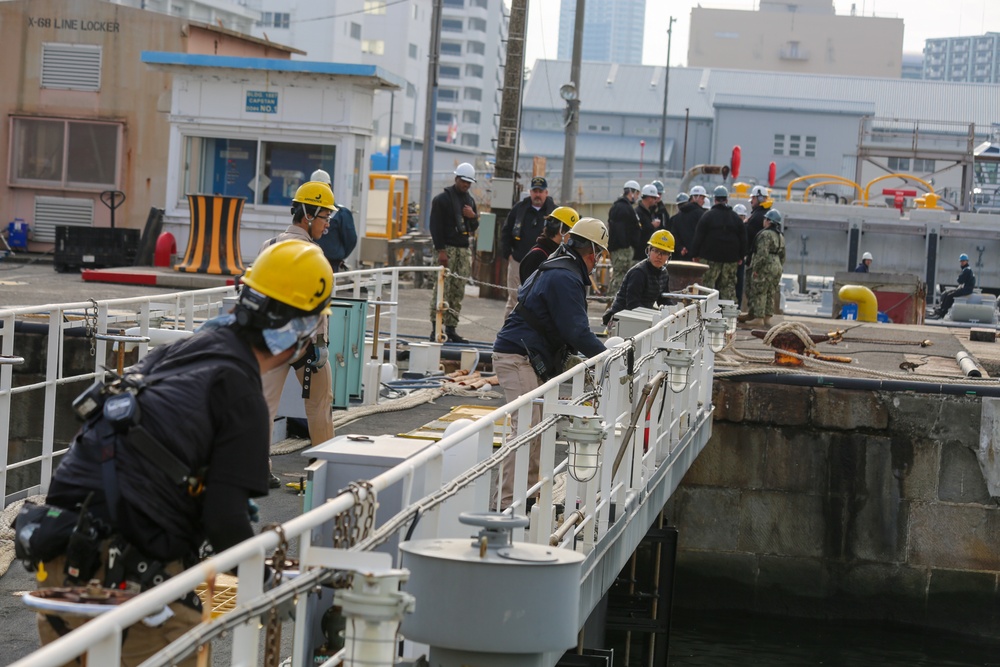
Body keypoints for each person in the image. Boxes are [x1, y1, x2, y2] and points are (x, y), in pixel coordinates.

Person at [30, 240, 333, 666]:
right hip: (127, 582)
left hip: (61, 564)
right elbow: (225, 520)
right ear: (298, 332)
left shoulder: (181, 352)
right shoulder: (241, 392)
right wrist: (269, 585)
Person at [492, 218, 610, 508]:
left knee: (537, 430)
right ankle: (507, 504)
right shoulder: (566, 277)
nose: (599, 261)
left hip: (527, 355)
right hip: (518, 356)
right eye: (600, 255)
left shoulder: (561, 268)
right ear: (593, 251)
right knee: (525, 431)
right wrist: (607, 357)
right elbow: (576, 331)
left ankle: (529, 496)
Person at [260, 182, 337, 466]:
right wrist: (320, 344)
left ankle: (258, 469)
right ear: (308, 214)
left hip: (268, 340)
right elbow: (320, 306)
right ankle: (325, 464)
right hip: (306, 345)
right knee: (319, 404)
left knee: (264, 407)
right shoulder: (316, 257)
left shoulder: (268, 247)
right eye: (324, 217)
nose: (327, 224)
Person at [429, 163, 480, 343]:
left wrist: (472, 216)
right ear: (456, 179)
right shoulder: (442, 199)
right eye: (463, 181)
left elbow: (474, 227)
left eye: (469, 183)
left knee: (458, 290)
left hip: (463, 249)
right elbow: (435, 227)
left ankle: (451, 328)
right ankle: (436, 327)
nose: (466, 185)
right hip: (447, 248)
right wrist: (441, 250)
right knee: (442, 289)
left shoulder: (470, 201)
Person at [499, 176, 556, 319]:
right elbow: (505, 232)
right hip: (518, 261)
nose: (537, 194)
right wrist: (508, 255)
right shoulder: (519, 209)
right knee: (514, 300)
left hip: (544, 264)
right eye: (535, 191)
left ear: (546, 193)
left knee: (541, 302)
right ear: (530, 192)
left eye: (540, 191)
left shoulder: (554, 212)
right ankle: (508, 334)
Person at [602, 229, 674, 327]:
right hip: (621, 318)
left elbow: (663, 299)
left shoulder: (664, 273)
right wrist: (655, 315)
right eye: (656, 251)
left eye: (664, 253)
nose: (659, 256)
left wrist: (675, 313)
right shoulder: (639, 273)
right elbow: (632, 304)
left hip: (642, 317)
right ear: (649, 250)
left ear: (669, 256)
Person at [690, 185, 747, 302]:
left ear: (714, 199)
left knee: (707, 288)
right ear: (726, 200)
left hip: (709, 258)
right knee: (728, 288)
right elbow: (743, 238)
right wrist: (741, 256)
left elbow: (698, 237)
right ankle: (729, 317)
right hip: (731, 260)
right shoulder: (735, 218)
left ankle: (705, 316)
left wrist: (695, 254)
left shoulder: (707, 216)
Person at [740, 209, 786, 327]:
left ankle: (758, 318)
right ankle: (767, 318)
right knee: (770, 292)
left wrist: (756, 269)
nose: (763, 221)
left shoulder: (765, 235)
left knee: (760, 291)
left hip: (766, 265)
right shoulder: (780, 236)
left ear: (769, 221)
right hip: (777, 265)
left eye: (765, 219)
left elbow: (762, 254)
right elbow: (783, 255)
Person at [311, 169, 357, 273]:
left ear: (330, 187)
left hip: (331, 264)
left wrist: (339, 255)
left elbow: (351, 240)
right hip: (309, 261)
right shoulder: (305, 212)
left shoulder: (341, 214)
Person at [518, 206, 580, 283]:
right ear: (562, 230)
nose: (572, 237)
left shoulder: (558, 253)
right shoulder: (537, 256)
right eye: (572, 233)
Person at [607, 180, 642, 295]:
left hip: (621, 248)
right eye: (637, 194)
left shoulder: (621, 206)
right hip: (622, 250)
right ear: (631, 192)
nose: (637, 197)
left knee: (619, 275)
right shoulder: (623, 208)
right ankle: (613, 300)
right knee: (619, 275)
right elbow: (620, 230)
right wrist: (625, 246)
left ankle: (613, 300)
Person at [742, 185, 770, 308]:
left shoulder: (756, 217)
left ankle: (754, 314)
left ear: (758, 198)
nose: (751, 202)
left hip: (755, 257)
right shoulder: (765, 214)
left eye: (753, 199)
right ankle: (756, 314)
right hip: (765, 259)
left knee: (753, 287)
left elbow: (748, 237)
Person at [930, 253, 976, 319]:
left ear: (967, 261)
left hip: (966, 290)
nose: (962, 263)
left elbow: (960, 280)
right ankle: (941, 308)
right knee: (947, 293)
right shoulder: (967, 269)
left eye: (963, 261)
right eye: (961, 261)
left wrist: (959, 278)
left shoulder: (967, 270)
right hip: (964, 288)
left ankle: (943, 312)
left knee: (950, 296)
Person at [669, 186, 706, 259]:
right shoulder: (702, 215)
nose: (704, 201)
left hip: (680, 257)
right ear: (696, 197)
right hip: (697, 258)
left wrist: (681, 248)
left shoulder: (677, 217)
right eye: (702, 198)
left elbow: (673, 235)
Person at [733, 203, 750, 306]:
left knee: (736, 285)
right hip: (736, 260)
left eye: (741, 217)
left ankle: (736, 307)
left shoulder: (731, 228)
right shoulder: (744, 228)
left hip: (735, 260)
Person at [635, 184, 661, 249]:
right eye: (655, 198)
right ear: (649, 198)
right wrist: (652, 226)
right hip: (640, 250)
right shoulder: (638, 212)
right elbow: (637, 230)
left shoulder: (650, 211)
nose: (656, 200)